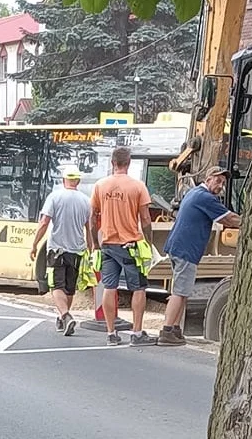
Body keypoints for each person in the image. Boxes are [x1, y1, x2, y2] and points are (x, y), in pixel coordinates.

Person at [159, 166, 242, 346]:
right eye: (218, 181)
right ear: (208, 178)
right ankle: (166, 331)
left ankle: (174, 329)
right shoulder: (205, 198)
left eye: (223, 183)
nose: (220, 186)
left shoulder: (193, 193)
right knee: (180, 292)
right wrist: (251, 221)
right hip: (186, 249)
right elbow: (228, 219)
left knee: (183, 291)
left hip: (178, 247)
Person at [89, 146, 156, 346]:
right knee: (139, 288)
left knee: (109, 286)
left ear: (112, 163)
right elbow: (145, 219)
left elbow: (93, 218)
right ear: (129, 163)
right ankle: (136, 333)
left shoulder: (100, 186)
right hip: (131, 245)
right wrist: (148, 243)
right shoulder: (138, 187)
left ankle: (111, 333)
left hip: (108, 244)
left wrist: (95, 243)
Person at [30, 167, 95, 336]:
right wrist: (91, 249)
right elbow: (89, 229)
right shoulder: (86, 201)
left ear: (63, 180)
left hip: (57, 249)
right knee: (69, 287)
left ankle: (65, 315)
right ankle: (62, 317)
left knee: (56, 285)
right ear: (78, 181)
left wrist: (35, 244)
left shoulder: (55, 197)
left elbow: (44, 222)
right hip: (77, 251)